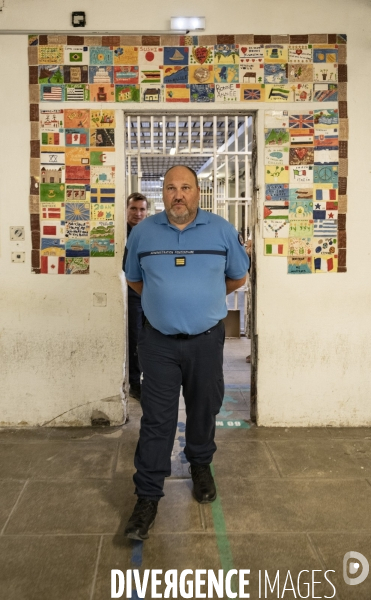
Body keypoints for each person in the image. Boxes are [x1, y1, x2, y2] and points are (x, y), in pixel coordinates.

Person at [123, 165, 249, 540]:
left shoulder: (222, 230)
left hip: (206, 341)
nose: (178, 194)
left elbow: (238, 276)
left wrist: (205, 301)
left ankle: (200, 466)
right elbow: (133, 278)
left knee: (203, 407)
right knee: (157, 420)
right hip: (157, 342)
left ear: (198, 191)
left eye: (186, 187)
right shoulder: (144, 232)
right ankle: (147, 496)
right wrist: (163, 305)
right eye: (170, 188)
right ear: (162, 193)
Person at [125, 192, 148, 401]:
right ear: (126, 210)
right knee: (134, 338)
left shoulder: (149, 233)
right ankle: (134, 382)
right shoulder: (119, 234)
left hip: (148, 294)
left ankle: (148, 380)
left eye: (142, 209)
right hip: (129, 294)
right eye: (133, 209)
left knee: (149, 339)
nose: (137, 213)